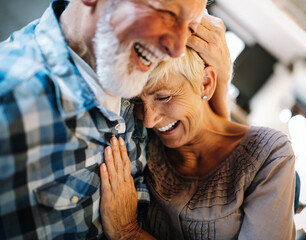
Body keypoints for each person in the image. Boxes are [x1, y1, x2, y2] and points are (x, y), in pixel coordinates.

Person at [0, 0, 232, 238]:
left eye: (190, 27)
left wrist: (222, 76)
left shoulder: (133, 67)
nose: (176, 49)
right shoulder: (12, 103)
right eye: (167, 13)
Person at [100, 47, 297, 240]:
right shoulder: (141, 135)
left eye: (164, 97)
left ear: (206, 83)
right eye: (137, 101)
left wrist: (128, 233)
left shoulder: (268, 153)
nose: (149, 120)